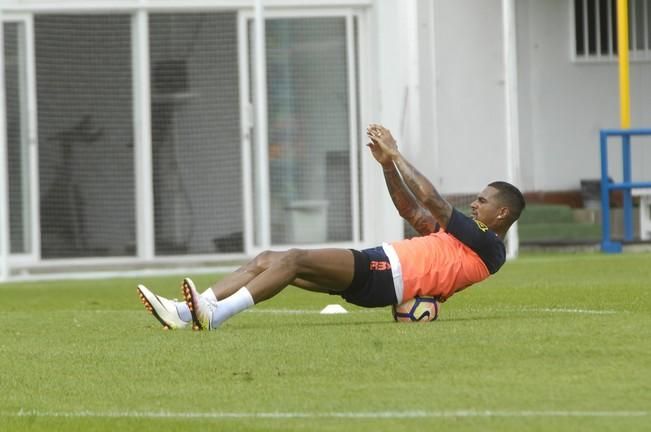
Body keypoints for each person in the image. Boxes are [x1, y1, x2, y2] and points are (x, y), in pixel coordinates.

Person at [137, 124, 525, 330]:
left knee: (291, 259)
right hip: (382, 266)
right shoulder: (463, 239)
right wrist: (387, 166)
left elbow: (433, 202)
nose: (475, 203)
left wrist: (397, 152)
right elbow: (412, 209)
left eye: (483, 200)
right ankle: (186, 311)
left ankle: (215, 315)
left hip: (387, 276)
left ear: (502, 214)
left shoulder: (490, 247)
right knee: (268, 259)